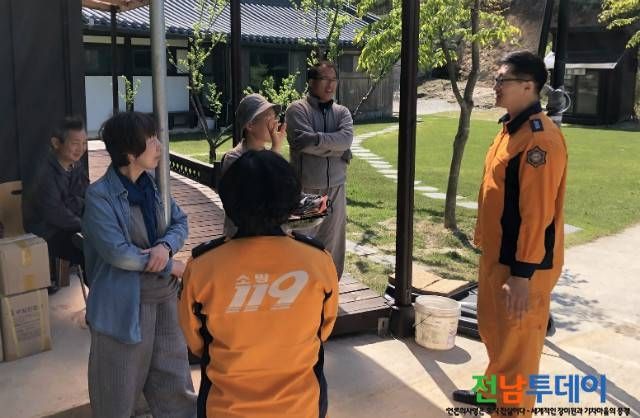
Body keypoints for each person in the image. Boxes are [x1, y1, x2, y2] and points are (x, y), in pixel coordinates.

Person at [179, 150, 339, 418]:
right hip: (301, 408)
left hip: (225, 409)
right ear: (290, 202)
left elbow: (196, 342)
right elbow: (324, 330)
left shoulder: (202, 267)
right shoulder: (318, 261)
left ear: (230, 202)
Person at [453, 51, 568, 418]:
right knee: (495, 332)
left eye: (503, 80)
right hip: (498, 255)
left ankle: (512, 411)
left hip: (522, 266)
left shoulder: (539, 141)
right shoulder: (510, 130)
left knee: (518, 347)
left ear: (528, 86)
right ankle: (492, 395)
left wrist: (522, 275)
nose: (495, 85)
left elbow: (537, 214)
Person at [82, 112, 196, 418]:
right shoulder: (99, 197)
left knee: (176, 387)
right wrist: (167, 265)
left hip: (164, 299)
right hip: (123, 306)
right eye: (151, 140)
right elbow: (118, 253)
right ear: (130, 153)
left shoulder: (154, 186)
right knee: (116, 393)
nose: (159, 145)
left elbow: (180, 222)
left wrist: (165, 246)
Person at [286, 60, 353, 279]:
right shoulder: (298, 109)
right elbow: (301, 142)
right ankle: (300, 289)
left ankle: (330, 287)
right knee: (303, 243)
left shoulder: (342, 112)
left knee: (332, 243)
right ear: (311, 82)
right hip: (308, 190)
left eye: (334, 80)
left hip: (336, 188)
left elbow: (346, 139)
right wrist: (337, 149)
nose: (330, 85)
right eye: (324, 79)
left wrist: (316, 140)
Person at [27, 116, 89, 291]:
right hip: (46, 230)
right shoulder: (44, 172)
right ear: (56, 143)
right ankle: (100, 300)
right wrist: (85, 225)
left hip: (70, 225)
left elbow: (86, 195)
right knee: (91, 251)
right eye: (75, 143)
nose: (81, 149)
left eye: (84, 143)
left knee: (105, 240)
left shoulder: (76, 165)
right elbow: (55, 213)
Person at [221, 93, 286, 238]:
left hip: (268, 237)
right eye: (268, 117)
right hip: (240, 238)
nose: (275, 122)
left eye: (275, 116)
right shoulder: (234, 158)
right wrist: (275, 150)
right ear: (250, 125)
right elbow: (256, 193)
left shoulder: (271, 155)